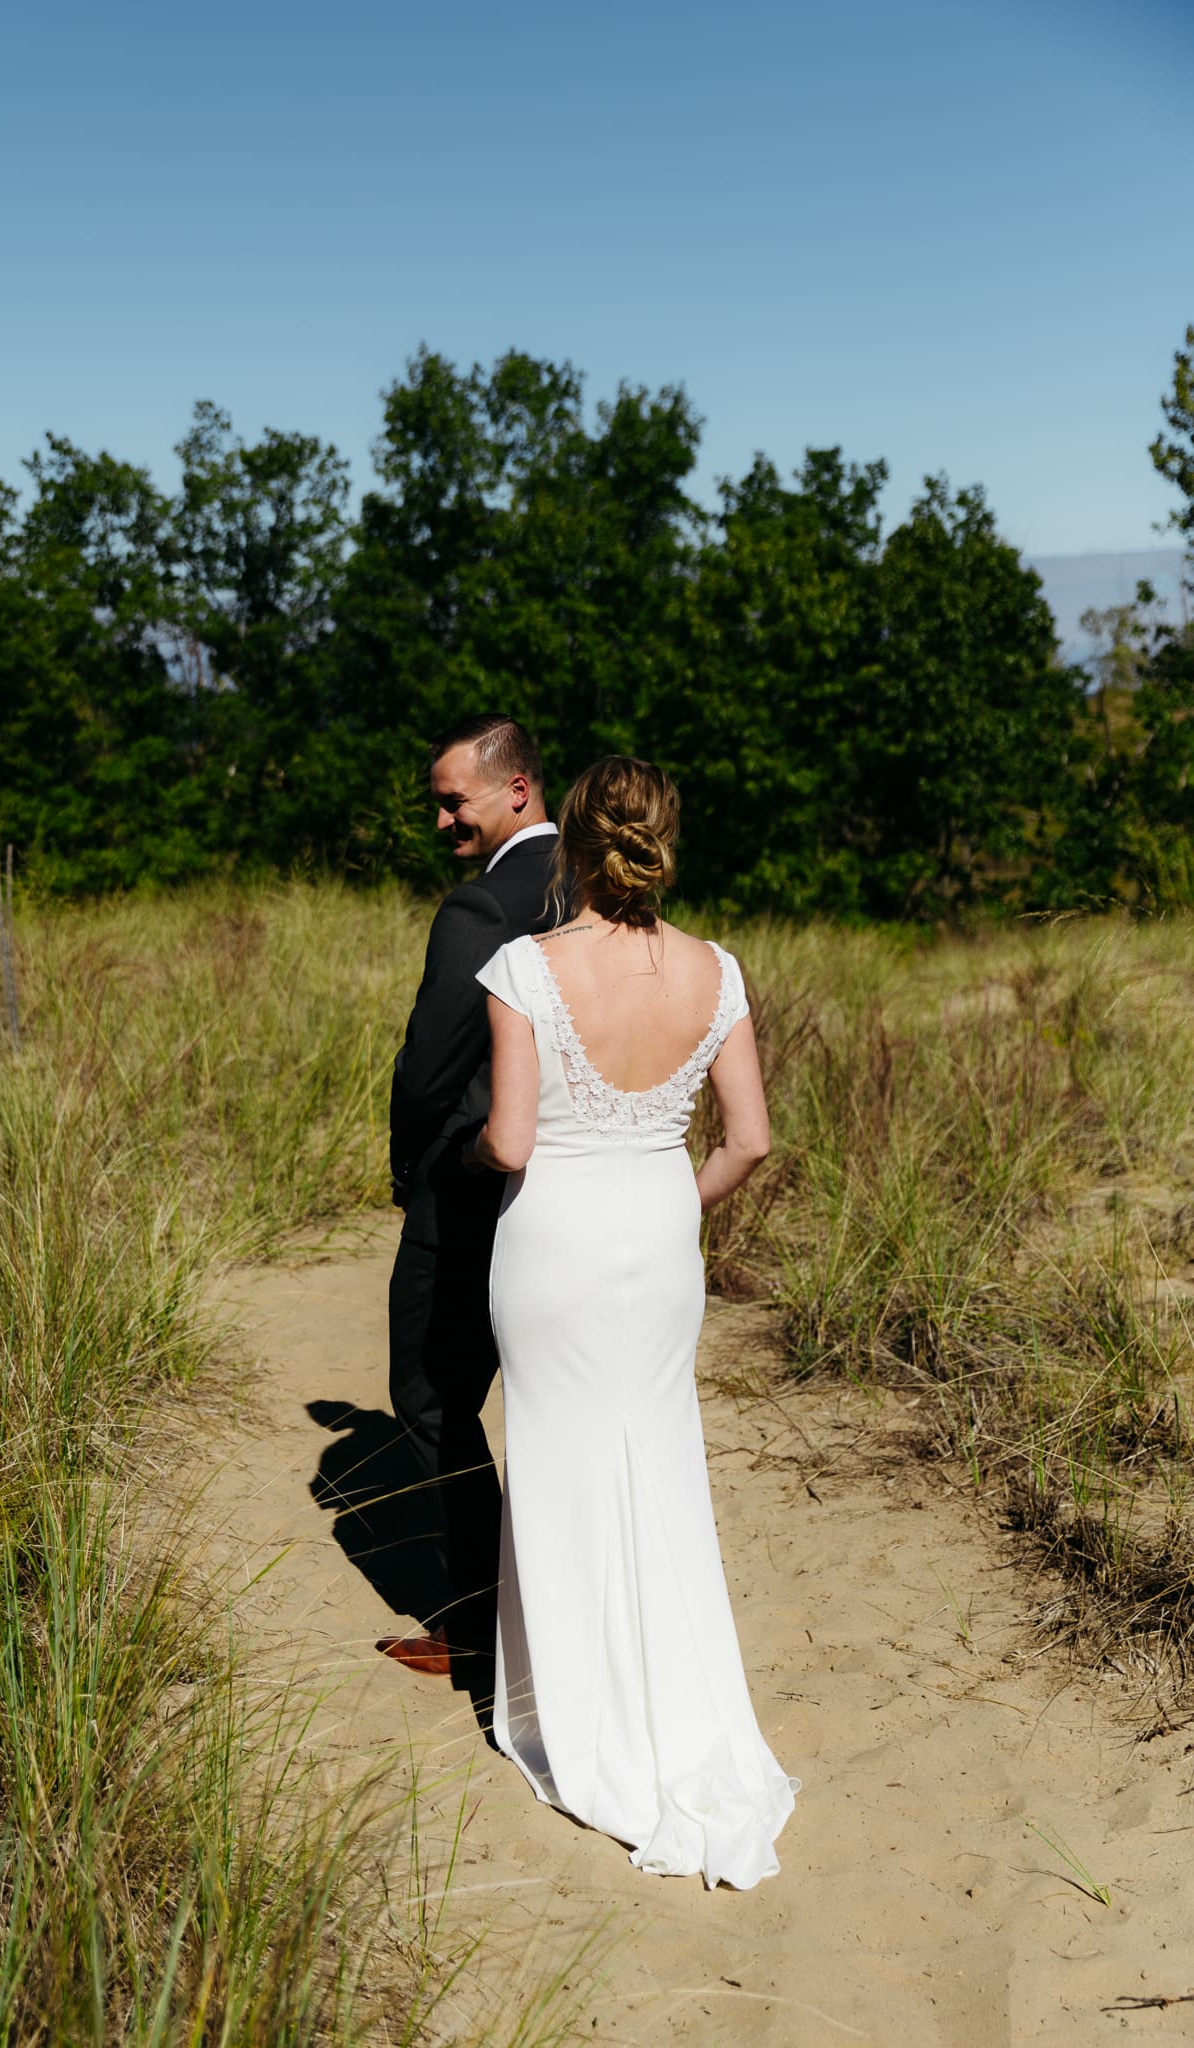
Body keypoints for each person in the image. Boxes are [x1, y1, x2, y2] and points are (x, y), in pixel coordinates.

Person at [465, 756, 799, 1887]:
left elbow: (510, 1142)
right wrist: (670, 1201)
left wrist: (467, 1158)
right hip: (659, 1245)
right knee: (657, 1460)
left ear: (567, 839)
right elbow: (746, 1137)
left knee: (556, 1460)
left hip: (551, 1239)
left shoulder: (525, 964)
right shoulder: (719, 970)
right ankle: (683, 1705)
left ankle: (582, 1706)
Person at [382, 713, 561, 1677]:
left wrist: (413, 1171)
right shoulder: (597, 887)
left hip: (474, 1191)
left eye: (455, 801)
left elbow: (431, 1067)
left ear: (517, 789)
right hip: (582, 1192)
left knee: (431, 1391)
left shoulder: (480, 909)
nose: (444, 821)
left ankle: (480, 1624)